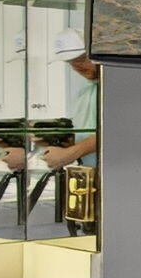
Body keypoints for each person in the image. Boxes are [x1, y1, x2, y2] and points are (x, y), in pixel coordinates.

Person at [36, 29, 99, 171]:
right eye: (70, 62)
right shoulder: (84, 92)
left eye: (81, 59)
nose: (77, 67)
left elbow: (113, 132)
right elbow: (89, 134)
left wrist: (68, 154)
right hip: (91, 173)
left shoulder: (117, 89)